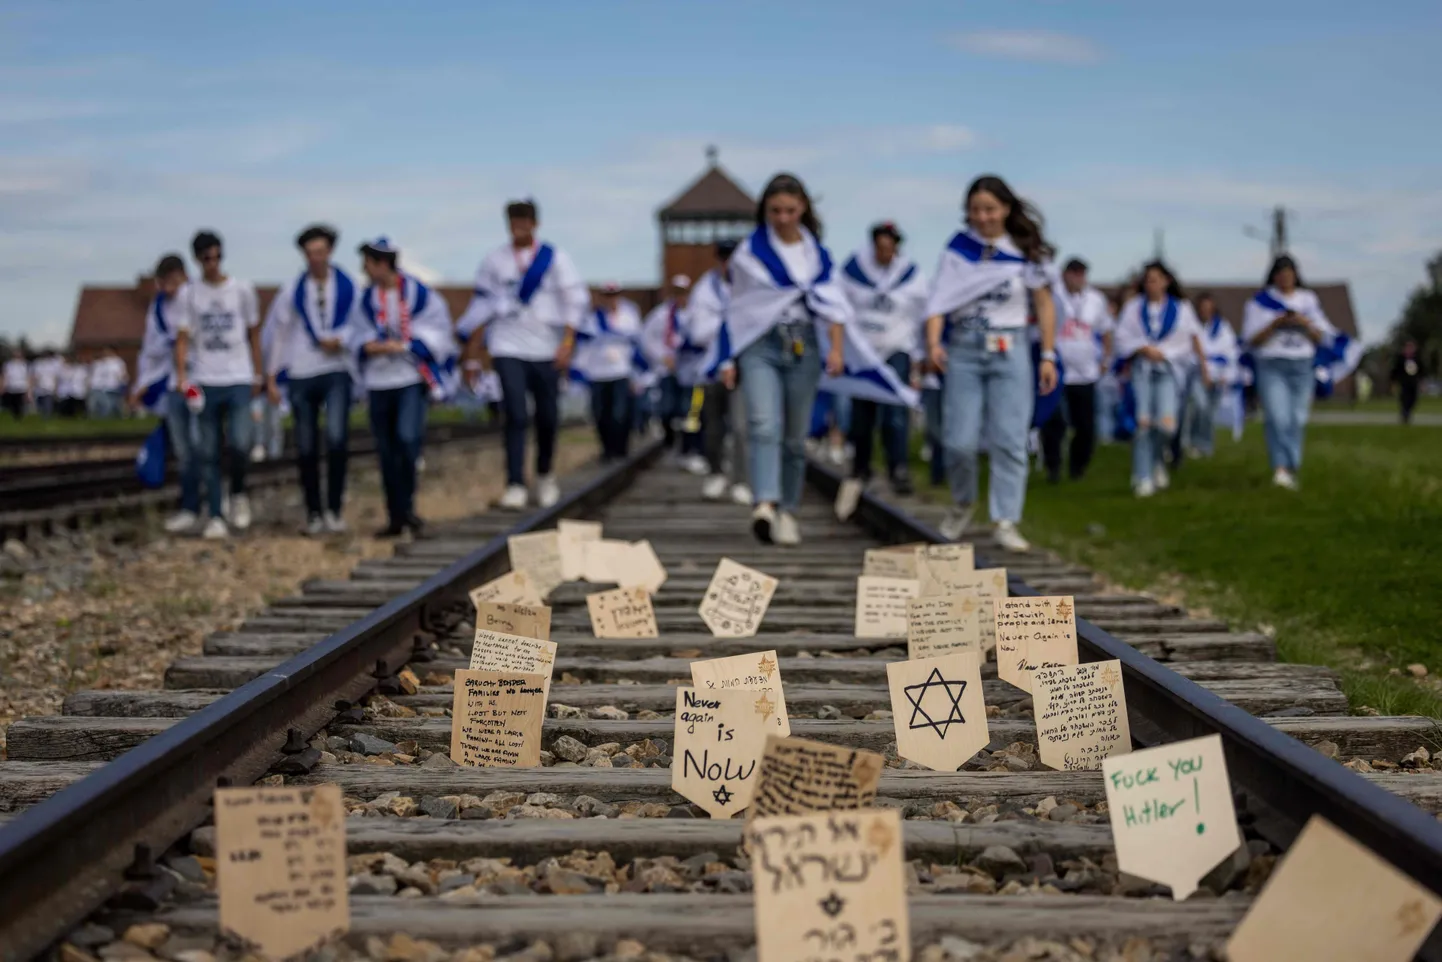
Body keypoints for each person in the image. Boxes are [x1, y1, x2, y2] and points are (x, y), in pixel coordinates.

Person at [710, 172, 913, 545]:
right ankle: (765, 503)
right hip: (761, 345)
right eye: (775, 211)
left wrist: (836, 349)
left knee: (793, 435)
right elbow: (738, 310)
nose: (783, 218)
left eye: (789, 210)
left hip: (804, 346)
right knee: (762, 423)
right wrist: (728, 357)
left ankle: (788, 509)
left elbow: (833, 305)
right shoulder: (749, 254)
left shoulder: (817, 255)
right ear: (765, 211)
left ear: (802, 208)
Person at [924, 175, 1058, 550]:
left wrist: (1048, 354)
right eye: (975, 210)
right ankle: (963, 500)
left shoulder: (1025, 251)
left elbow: (1044, 305)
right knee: (958, 441)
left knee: (1010, 439)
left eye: (990, 209)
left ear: (1006, 209)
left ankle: (1005, 519)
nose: (982, 217)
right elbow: (938, 300)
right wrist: (934, 342)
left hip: (1010, 347)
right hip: (964, 348)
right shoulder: (958, 250)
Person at [457, 199, 588, 510]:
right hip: (507, 346)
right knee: (515, 414)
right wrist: (472, 354)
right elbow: (481, 307)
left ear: (535, 223)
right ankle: (515, 482)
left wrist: (567, 344)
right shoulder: (494, 261)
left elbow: (575, 301)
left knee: (548, 417)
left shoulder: (555, 259)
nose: (519, 225)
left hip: (546, 348)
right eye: (514, 220)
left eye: (524, 220)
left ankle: (544, 475)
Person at [347, 237, 458, 536]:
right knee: (386, 450)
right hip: (379, 381)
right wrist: (368, 345)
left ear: (382, 264)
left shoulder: (419, 295)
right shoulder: (366, 299)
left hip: (409, 378)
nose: (365, 270)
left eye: (368, 264)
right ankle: (396, 515)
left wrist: (409, 344)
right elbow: (355, 334)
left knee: (407, 440)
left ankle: (407, 506)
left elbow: (439, 332)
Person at [264, 224, 357, 535]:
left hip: (336, 369)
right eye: (309, 254)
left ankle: (334, 508)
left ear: (329, 252)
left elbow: (362, 323)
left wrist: (341, 339)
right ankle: (314, 512)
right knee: (305, 446)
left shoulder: (348, 286)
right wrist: (272, 375)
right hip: (303, 372)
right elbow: (278, 333)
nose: (315, 258)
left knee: (336, 438)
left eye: (320, 252)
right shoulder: (292, 290)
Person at [173, 230, 263, 539]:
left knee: (239, 443)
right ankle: (215, 512)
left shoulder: (242, 291)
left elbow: (253, 333)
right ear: (198, 260)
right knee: (207, 450)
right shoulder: (189, 294)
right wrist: (182, 376)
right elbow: (183, 338)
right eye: (206, 258)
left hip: (237, 376)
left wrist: (258, 373)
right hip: (205, 379)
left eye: (216, 256)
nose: (212, 263)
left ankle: (237, 493)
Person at [838, 221, 927, 495]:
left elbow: (922, 313)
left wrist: (919, 353)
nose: (885, 252)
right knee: (861, 413)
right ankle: (861, 464)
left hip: (895, 349)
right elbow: (839, 306)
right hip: (862, 353)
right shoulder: (853, 270)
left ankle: (898, 467)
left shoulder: (911, 275)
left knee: (895, 414)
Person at [1114, 262, 1209, 497]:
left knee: (1167, 424)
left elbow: (1189, 339)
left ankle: (1157, 459)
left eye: (1156, 279)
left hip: (1169, 370)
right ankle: (1142, 475)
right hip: (1142, 370)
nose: (1151, 285)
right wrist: (1143, 348)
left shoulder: (1181, 308)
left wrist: (1168, 354)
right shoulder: (1134, 308)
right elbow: (1122, 337)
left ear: (1166, 281)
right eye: (1147, 280)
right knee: (1143, 422)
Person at [1241, 254, 1336, 489]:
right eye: (1280, 273)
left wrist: (1303, 323)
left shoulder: (1308, 299)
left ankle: (1293, 463)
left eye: (1289, 273)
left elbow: (1323, 336)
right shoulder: (1260, 302)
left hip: (1302, 365)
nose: (1285, 278)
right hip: (1272, 364)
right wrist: (1275, 324)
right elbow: (1250, 340)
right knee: (1277, 417)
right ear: (1274, 276)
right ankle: (1280, 468)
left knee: (1297, 418)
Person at [134, 254, 203, 531]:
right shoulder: (159, 307)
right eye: (166, 282)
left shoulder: (198, 297)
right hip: (176, 384)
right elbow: (151, 349)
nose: (171, 288)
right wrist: (143, 384)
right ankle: (190, 505)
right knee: (184, 449)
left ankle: (211, 504)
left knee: (201, 445)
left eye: (175, 281)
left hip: (200, 381)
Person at [1041, 258, 1112, 482]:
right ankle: (1053, 466)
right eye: (1073, 273)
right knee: (1054, 422)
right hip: (1058, 370)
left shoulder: (1095, 299)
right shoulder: (1053, 296)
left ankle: (1077, 468)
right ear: (1065, 274)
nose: (1077, 278)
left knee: (1085, 426)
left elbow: (1107, 330)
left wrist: (1106, 360)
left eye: (1081, 274)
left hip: (1085, 372)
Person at [690, 242, 751, 501]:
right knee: (713, 424)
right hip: (712, 369)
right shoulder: (705, 289)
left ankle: (742, 479)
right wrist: (727, 324)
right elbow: (697, 332)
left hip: (746, 366)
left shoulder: (751, 287)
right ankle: (716, 473)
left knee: (741, 427)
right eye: (724, 259)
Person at [574, 282, 643, 463]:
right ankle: (607, 450)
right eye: (608, 295)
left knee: (619, 413)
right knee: (600, 414)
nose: (612, 299)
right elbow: (583, 347)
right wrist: (579, 372)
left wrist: (638, 374)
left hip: (621, 372)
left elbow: (636, 346)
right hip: (597, 374)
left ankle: (620, 448)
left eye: (615, 295)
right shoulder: (592, 319)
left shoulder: (629, 316)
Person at [638, 275, 695, 456]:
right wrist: (662, 357)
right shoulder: (660, 315)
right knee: (667, 408)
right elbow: (646, 339)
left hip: (690, 370)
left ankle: (689, 447)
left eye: (683, 293)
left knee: (689, 409)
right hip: (666, 370)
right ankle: (670, 441)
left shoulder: (695, 313)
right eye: (677, 293)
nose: (681, 297)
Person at [1186, 293, 1239, 456]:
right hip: (1198, 372)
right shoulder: (1192, 326)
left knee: (1209, 412)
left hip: (1218, 374)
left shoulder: (1223, 327)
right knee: (1200, 406)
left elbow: (1230, 352)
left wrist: (1227, 374)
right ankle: (1194, 441)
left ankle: (1205, 446)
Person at [87, 349, 128, 418]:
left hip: (115, 386)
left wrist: (122, 383)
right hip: (104, 387)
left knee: (115, 404)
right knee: (105, 404)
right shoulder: (101, 363)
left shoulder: (118, 362)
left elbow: (122, 374)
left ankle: (118, 416)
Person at [1392, 340, 1422, 425]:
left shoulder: (1416, 358)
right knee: (1404, 398)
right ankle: (1405, 413)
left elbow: (1421, 371)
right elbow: (1395, 370)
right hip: (1404, 382)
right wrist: (1394, 381)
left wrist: (1422, 382)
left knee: (1413, 399)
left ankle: (1408, 411)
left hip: (1413, 382)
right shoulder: (1401, 358)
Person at [30, 350, 60, 418]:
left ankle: (47, 417)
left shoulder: (53, 364)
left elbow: (55, 377)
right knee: (40, 404)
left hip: (49, 387)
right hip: (39, 387)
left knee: (48, 403)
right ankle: (42, 415)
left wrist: (56, 388)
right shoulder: (37, 363)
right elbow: (34, 376)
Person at [57, 353, 88, 418]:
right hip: (67, 391)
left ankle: (80, 415)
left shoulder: (81, 368)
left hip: (78, 390)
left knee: (78, 405)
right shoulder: (63, 369)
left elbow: (85, 379)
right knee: (66, 406)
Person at [2, 348, 28, 419]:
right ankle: (15, 416)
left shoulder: (25, 365)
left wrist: (29, 389)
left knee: (20, 404)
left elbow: (28, 377)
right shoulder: (8, 364)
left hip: (21, 387)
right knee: (13, 404)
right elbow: (5, 376)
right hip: (11, 387)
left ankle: (20, 416)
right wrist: (3, 386)